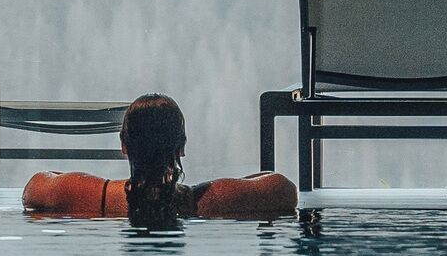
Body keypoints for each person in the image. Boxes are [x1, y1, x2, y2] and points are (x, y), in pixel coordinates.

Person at [22, 95, 298, 224]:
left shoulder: (91, 196)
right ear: (181, 147)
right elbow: (282, 188)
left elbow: (36, 186)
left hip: (106, 199)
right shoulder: (208, 201)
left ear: (124, 146)